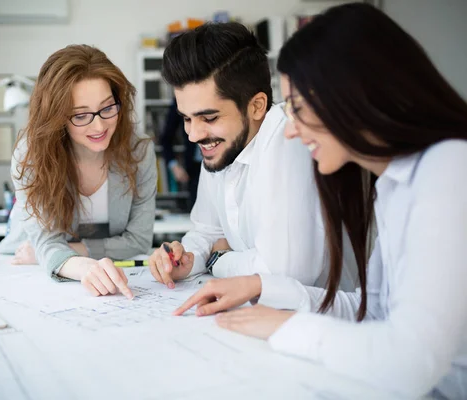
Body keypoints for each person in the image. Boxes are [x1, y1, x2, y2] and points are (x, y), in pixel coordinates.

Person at [175, 4, 467, 398]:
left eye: (299, 108)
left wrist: (287, 326)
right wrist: (262, 289)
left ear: (353, 95)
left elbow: (410, 363)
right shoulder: (395, 184)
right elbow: (372, 311)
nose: (291, 130)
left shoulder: (449, 169)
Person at [148, 22, 357, 292]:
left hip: (325, 319)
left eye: (209, 117)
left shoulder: (286, 135)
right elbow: (207, 232)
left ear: (256, 106)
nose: (193, 134)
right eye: (186, 119)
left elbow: (284, 271)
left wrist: (218, 259)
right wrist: (184, 257)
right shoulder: (218, 146)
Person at [0, 45, 157, 299]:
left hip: (95, 268)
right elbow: (45, 243)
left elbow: (138, 241)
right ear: (56, 117)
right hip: (27, 268)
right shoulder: (30, 156)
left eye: (107, 108)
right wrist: (79, 263)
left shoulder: (139, 152)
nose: (100, 125)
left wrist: (73, 250)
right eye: (81, 115)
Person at [159, 98, 202, 211]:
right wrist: (174, 165)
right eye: (187, 119)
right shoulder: (181, 99)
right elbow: (166, 139)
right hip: (195, 170)